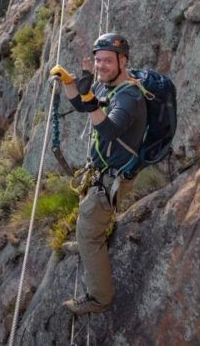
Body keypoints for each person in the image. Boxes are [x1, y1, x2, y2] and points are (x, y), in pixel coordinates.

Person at [50, 33, 147, 315]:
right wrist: (70, 83)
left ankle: (99, 299)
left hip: (113, 177)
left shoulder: (129, 97)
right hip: (103, 172)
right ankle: (87, 240)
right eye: (98, 60)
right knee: (88, 217)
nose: (100, 66)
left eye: (107, 61)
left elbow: (109, 130)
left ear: (123, 61)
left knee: (89, 233)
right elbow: (83, 105)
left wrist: (90, 98)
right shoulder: (110, 85)